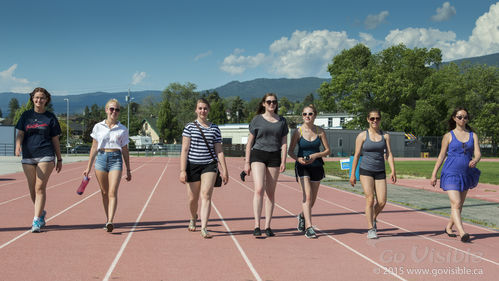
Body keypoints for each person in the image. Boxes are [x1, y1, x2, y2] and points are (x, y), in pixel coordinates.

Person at [179, 98, 228, 239]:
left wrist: (224, 169)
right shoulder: (189, 127)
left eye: (205, 108)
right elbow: (185, 149)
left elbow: (219, 150)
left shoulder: (215, 128)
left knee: (206, 195)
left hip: (209, 165)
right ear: (196, 110)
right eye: (200, 108)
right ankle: (193, 217)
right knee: (192, 199)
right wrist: (182, 170)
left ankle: (204, 227)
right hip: (192, 165)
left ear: (209, 110)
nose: (203, 111)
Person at [15, 87, 63, 233]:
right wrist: (18, 146)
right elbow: (20, 133)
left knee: (39, 187)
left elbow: (55, 139)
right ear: (32, 99)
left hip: (46, 154)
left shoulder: (50, 117)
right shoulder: (25, 116)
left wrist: (59, 158)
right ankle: (41, 213)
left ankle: (36, 220)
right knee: (32, 189)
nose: (39, 100)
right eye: (36, 97)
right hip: (28, 155)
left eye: (42, 98)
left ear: (46, 100)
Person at [431, 107, 480, 243]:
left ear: (467, 119)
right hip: (450, 172)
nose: (462, 119)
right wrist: (434, 174)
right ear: (454, 118)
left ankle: (448, 227)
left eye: (465, 117)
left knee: (459, 205)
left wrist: (475, 160)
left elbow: (478, 153)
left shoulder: (473, 135)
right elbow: (441, 156)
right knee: (456, 203)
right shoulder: (448, 136)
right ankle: (462, 232)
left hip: (466, 173)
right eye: (459, 117)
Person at [244, 93, 288, 237]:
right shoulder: (257, 120)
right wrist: (247, 162)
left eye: (274, 102)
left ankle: (268, 226)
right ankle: (257, 225)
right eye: (268, 102)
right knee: (259, 189)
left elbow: (284, 142)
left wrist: (283, 160)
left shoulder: (282, 121)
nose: (271, 104)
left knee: (270, 192)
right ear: (263, 103)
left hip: (274, 156)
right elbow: (250, 142)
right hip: (258, 154)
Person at [83, 99, 131, 232]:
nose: (114, 112)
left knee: (112, 191)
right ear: (106, 110)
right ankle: (107, 219)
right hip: (101, 159)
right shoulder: (98, 127)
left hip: (116, 159)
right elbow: (93, 147)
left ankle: (110, 220)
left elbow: (125, 150)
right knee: (104, 192)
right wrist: (88, 167)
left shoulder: (122, 129)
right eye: (111, 109)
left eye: (117, 110)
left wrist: (128, 169)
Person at [349, 109, 396, 239]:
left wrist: (393, 170)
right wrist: (352, 174)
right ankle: (371, 228)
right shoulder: (362, 136)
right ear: (368, 120)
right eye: (372, 118)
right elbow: (357, 155)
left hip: (380, 170)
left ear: (380, 119)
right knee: (370, 199)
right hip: (366, 171)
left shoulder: (385, 136)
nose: (375, 121)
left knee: (382, 201)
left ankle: (373, 217)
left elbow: (389, 154)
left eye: (377, 118)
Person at [288, 104, 330, 239]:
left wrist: (316, 155)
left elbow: (327, 150)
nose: (307, 116)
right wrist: (298, 159)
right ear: (302, 116)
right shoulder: (298, 132)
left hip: (317, 165)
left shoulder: (320, 131)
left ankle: (301, 215)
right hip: (302, 166)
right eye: (305, 114)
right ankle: (309, 227)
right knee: (307, 196)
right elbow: (290, 151)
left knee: (313, 200)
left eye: (310, 114)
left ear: (315, 116)